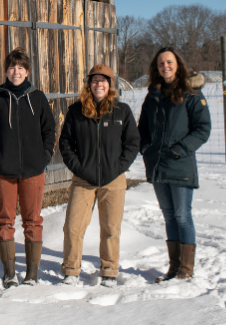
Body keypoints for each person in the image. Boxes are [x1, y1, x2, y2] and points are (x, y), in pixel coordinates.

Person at [0, 48, 56, 288]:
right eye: (12, 67)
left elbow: (49, 130)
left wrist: (44, 156)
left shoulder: (38, 98)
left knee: (33, 220)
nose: (16, 72)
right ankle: (9, 272)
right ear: (6, 71)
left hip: (33, 171)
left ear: (27, 71)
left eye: (21, 68)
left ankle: (32, 274)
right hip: (4, 172)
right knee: (5, 220)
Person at [58, 64, 140, 287]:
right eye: (94, 80)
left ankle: (109, 270)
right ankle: (71, 270)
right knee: (73, 227)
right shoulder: (77, 111)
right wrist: (79, 167)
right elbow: (65, 143)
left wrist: (118, 167)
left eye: (103, 80)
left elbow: (132, 143)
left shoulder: (122, 111)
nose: (99, 84)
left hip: (113, 180)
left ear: (110, 84)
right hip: (83, 180)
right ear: (89, 84)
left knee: (111, 228)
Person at [138, 48, 211, 283]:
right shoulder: (153, 95)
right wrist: (146, 148)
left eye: (169, 62)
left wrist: (180, 149)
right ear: (156, 67)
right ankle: (174, 267)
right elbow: (143, 128)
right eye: (161, 63)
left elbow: (202, 129)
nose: (165, 66)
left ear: (178, 64)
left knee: (182, 215)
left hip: (180, 164)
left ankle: (186, 270)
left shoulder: (191, 94)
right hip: (158, 165)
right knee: (169, 216)